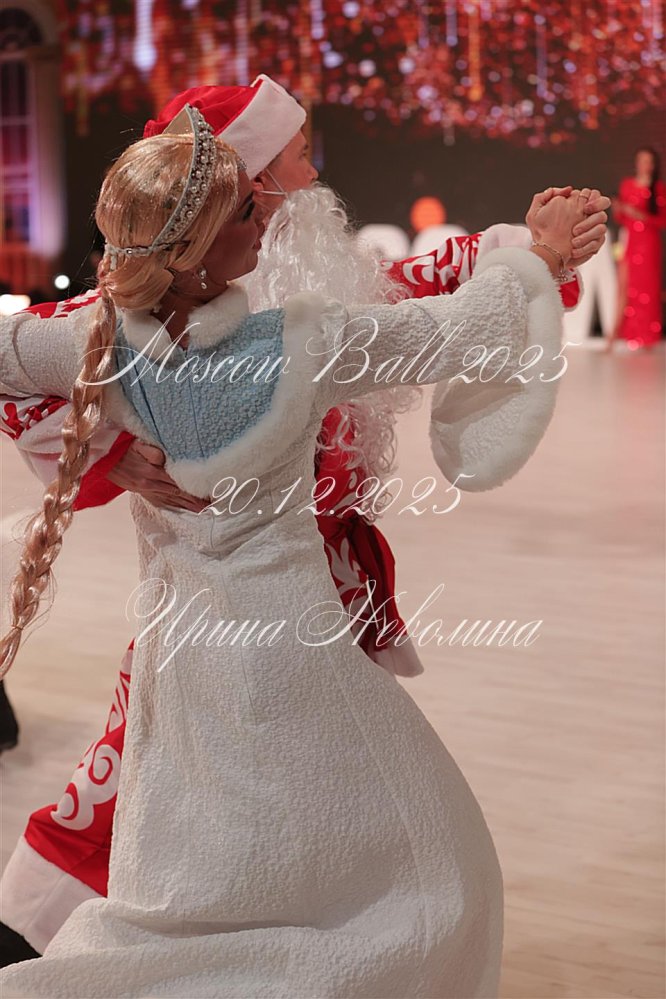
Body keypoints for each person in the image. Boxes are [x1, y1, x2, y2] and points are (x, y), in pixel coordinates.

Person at [0, 77, 610, 966]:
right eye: (293, 159)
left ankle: (228, 937)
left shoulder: (111, 330)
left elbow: (404, 290)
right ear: (238, 196)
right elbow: (448, 323)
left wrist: (522, 248)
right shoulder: (304, 338)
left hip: (230, 617)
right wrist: (108, 453)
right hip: (286, 623)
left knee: (202, 802)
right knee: (384, 828)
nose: (314, 174)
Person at [608, 146, 666, 350]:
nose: (645, 165)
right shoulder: (627, 185)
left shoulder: (658, 189)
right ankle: (620, 334)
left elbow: (662, 221)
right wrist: (618, 209)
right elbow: (621, 218)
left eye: (649, 161)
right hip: (630, 241)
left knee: (647, 288)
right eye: (642, 161)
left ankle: (646, 336)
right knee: (625, 286)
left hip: (649, 243)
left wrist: (643, 217)